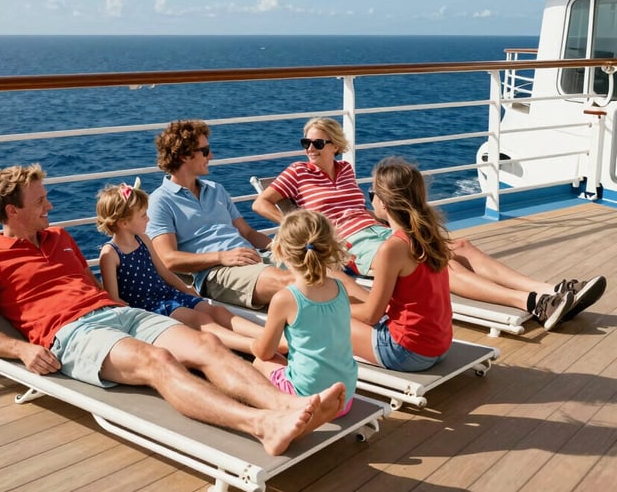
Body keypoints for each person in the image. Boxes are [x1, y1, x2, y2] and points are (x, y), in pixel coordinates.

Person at [0, 163, 346, 456]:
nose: (50, 205)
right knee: (158, 361)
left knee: (207, 345)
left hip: (116, 311)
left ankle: (290, 405)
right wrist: (23, 349)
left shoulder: (60, 237)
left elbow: (91, 285)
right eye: (40, 201)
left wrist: (123, 307)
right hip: (72, 333)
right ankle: (262, 424)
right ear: (13, 211)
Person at [253, 117, 607, 332]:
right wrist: (298, 226)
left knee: (461, 247)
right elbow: (261, 203)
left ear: (335, 145)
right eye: (306, 143)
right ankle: (532, 302)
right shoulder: (297, 172)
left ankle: (552, 289)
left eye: (317, 143)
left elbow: (366, 210)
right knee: (437, 262)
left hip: (375, 230)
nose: (310, 148)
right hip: (349, 244)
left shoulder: (345, 171)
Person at [96, 179, 278, 356]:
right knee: (201, 320)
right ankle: (255, 346)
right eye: (143, 215)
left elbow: (163, 271)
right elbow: (114, 298)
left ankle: (273, 338)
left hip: (167, 294)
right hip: (149, 306)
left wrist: (186, 289)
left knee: (215, 311)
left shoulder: (143, 240)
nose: (148, 219)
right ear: (124, 223)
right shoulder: (110, 254)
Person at [147, 119, 294, 309]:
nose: (212, 156)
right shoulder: (160, 201)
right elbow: (168, 259)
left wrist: (281, 248)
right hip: (217, 272)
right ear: (184, 156)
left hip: (252, 256)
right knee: (294, 283)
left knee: (325, 272)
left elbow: (247, 233)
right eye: (205, 151)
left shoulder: (216, 190)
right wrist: (222, 257)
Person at [349, 157, 454, 370]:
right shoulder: (428, 233)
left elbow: (371, 315)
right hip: (439, 346)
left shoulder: (392, 248)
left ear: (384, 203)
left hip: (406, 352)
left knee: (323, 320)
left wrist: (334, 308)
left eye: (372, 194)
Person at [251, 209, 357, 417]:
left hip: (308, 400)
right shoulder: (340, 288)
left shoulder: (286, 298)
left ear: (280, 250)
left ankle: (272, 414)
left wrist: (254, 344)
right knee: (283, 362)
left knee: (260, 363)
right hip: (344, 400)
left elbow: (264, 352)